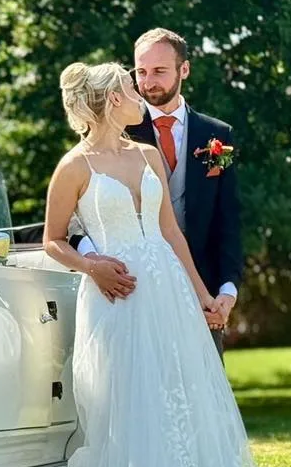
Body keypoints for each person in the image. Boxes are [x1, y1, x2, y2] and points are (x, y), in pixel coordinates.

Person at [37, 60, 279, 467]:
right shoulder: (74, 167)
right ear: (108, 102)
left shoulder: (148, 155)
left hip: (167, 291)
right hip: (115, 298)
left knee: (179, 401)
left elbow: (171, 233)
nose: (138, 95)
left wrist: (201, 295)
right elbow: (52, 241)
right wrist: (92, 265)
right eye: (129, 88)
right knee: (128, 404)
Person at [74, 28, 242, 354]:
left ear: (184, 70)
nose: (148, 82)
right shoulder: (113, 129)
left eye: (159, 71)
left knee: (202, 393)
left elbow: (229, 222)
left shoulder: (217, 134)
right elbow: (77, 217)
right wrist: (95, 262)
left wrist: (226, 290)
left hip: (202, 292)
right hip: (131, 289)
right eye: (141, 72)